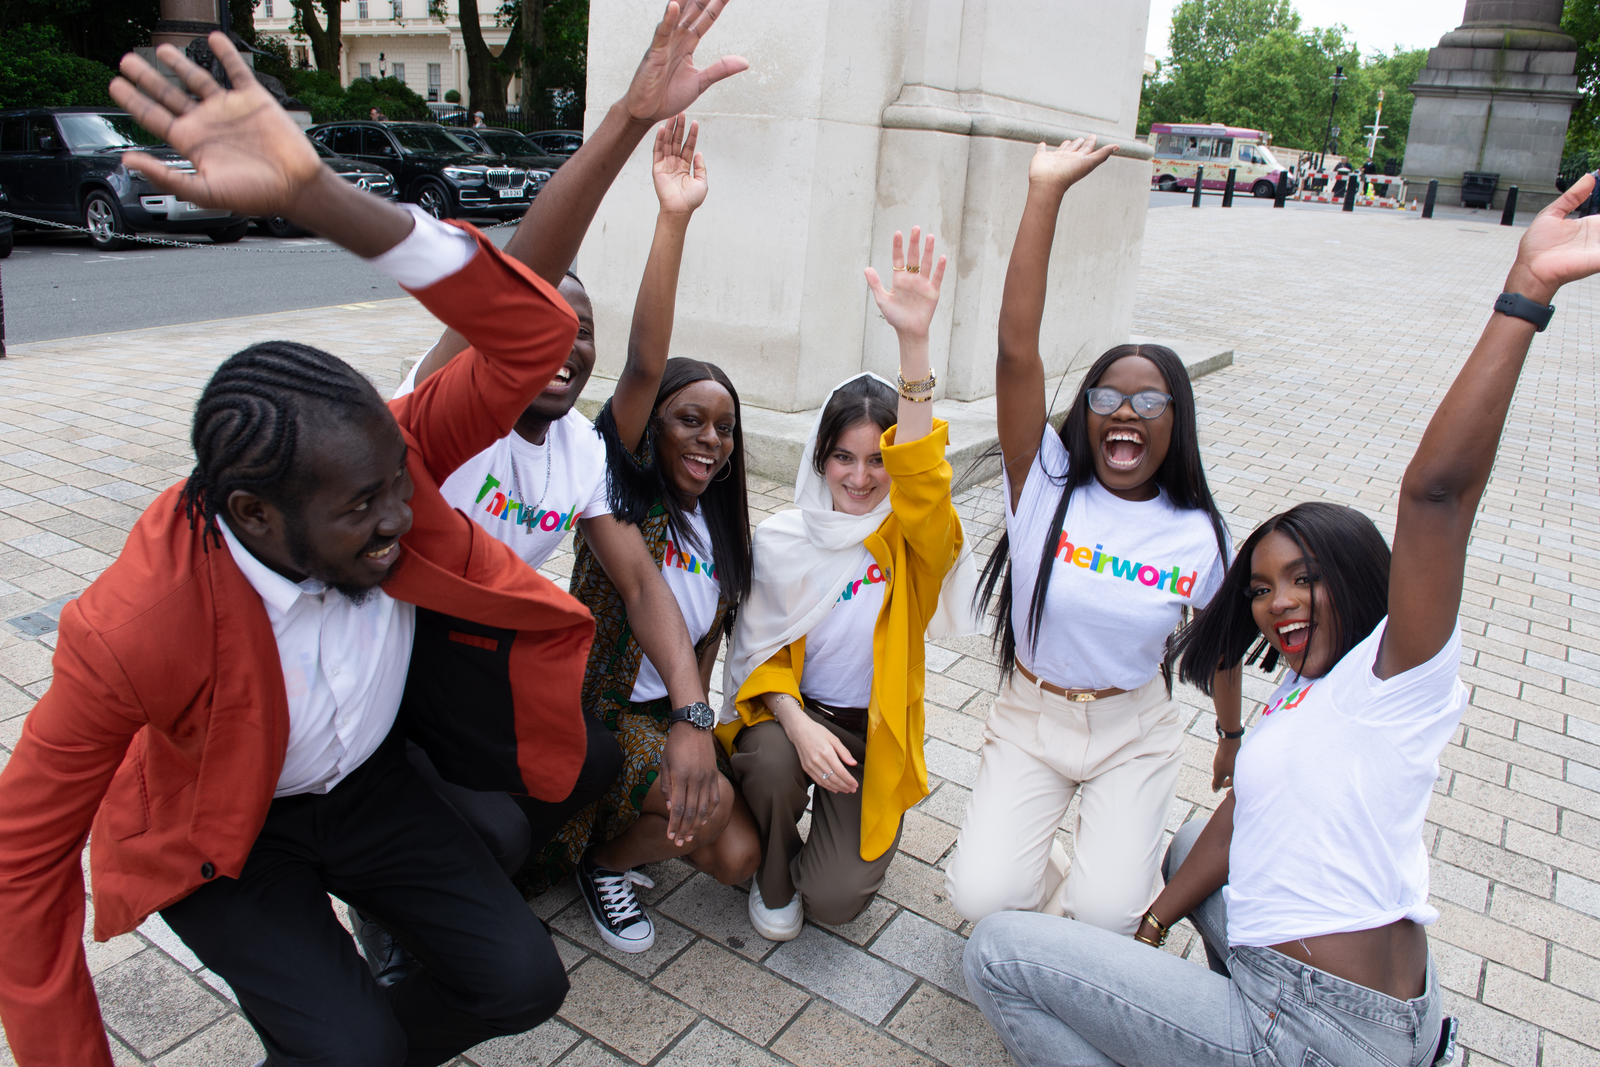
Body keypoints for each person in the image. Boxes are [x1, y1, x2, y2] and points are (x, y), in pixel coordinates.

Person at [0, 3, 748, 1063]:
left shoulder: (398, 454)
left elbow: (528, 321)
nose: (403, 517)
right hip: (231, 832)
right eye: (362, 510)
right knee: (353, 1046)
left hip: (371, 783)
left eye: (399, 486)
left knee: (523, 981)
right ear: (256, 516)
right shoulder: (132, 624)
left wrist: (322, 195)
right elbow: (23, 860)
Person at [962, 168, 1600, 1067]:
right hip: (1044, 721)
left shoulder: (1388, 675)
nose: (1278, 605)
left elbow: (1434, 498)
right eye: (1264, 590)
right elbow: (1015, 353)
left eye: (1304, 581)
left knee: (1016, 947)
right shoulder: (1300, 688)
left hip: (1315, 1014)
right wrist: (1158, 918)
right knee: (1124, 860)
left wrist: (1525, 294)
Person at [353, 113, 721, 984]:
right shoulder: (444, 400)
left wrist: (693, 711)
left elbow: (643, 584)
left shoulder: (580, 451)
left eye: (581, 328)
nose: (565, 341)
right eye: (544, 320)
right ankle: (387, 903)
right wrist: (628, 121)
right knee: (496, 832)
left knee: (590, 761)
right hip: (378, 652)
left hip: (469, 660)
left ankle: (474, 867)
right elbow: (510, 279)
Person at [944, 136, 1239, 936]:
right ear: (1085, 411)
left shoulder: (1197, 535)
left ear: (1176, 421)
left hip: (1131, 730)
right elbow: (1016, 348)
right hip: (1031, 717)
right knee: (979, 897)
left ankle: (1107, 878)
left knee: (1109, 915)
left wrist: (1231, 734)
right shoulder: (1042, 479)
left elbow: (1220, 648)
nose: (1124, 413)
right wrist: (1045, 193)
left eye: (1150, 403)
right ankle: (1039, 867)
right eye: (1106, 397)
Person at [719, 228, 975, 939]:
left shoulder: (915, 544)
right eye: (843, 457)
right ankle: (772, 867)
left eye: (877, 460)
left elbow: (924, 480)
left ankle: (820, 855)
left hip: (871, 734)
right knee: (772, 764)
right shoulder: (782, 540)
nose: (860, 478)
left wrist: (914, 346)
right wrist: (797, 723)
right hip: (793, 717)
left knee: (834, 900)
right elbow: (758, 654)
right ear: (819, 458)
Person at [552, 347, 766, 952]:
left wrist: (692, 725)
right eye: (690, 420)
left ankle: (623, 832)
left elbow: (706, 643)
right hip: (601, 712)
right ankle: (603, 867)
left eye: (724, 428)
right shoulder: (625, 500)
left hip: (668, 713)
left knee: (738, 857)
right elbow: (641, 370)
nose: (710, 439)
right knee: (711, 806)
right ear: (653, 426)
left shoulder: (723, 530)